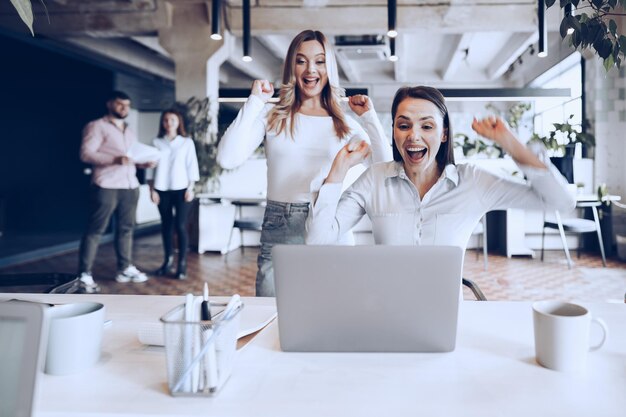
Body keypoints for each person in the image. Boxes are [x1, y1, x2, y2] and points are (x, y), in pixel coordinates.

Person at [217, 29, 392, 296]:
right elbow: (227, 158)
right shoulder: (272, 114)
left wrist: (370, 118)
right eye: (301, 61)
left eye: (319, 61)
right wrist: (254, 102)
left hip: (329, 225)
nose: (310, 69)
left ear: (329, 67)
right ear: (291, 67)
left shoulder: (345, 124)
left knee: (332, 318)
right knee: (271, 317)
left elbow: (384, 170)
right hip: (280, 225)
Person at [306, 85, 577, 252]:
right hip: (387, 309)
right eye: (404, 125)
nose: (414, 136)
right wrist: (338, 171)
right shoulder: (375, 179)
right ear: (394, 132)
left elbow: (562, 202)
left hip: (448, 315)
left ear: (444, 134)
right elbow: (318, 239)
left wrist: (511, 142)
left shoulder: (472, 182)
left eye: (427, 126)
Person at [77, 91, 154, 293]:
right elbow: (86, 154)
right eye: (120, 105)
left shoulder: (129, 130)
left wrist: (143, 162)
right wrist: (114, 160)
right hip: (106, 185)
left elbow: (130, 157)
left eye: (127, 106)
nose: (124, 109)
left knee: (126, 229)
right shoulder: (96, 126)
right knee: (96, 230)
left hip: (130, 185)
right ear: (110, 104)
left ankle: (124, 268)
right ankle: (84, 274)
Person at [149, 109, 200, 279]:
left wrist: (190, 188)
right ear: (162, 123)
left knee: (180, 225)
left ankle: (182, 264)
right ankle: (167, 261)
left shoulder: (186, 142)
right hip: (161, 190)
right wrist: (152, 190)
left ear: (178, 123)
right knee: (166, 226)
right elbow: (151, 169)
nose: (168, 123)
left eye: (172, 120)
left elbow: (192, 166)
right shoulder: (156, 142)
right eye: (165, 120)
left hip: (182, 189)